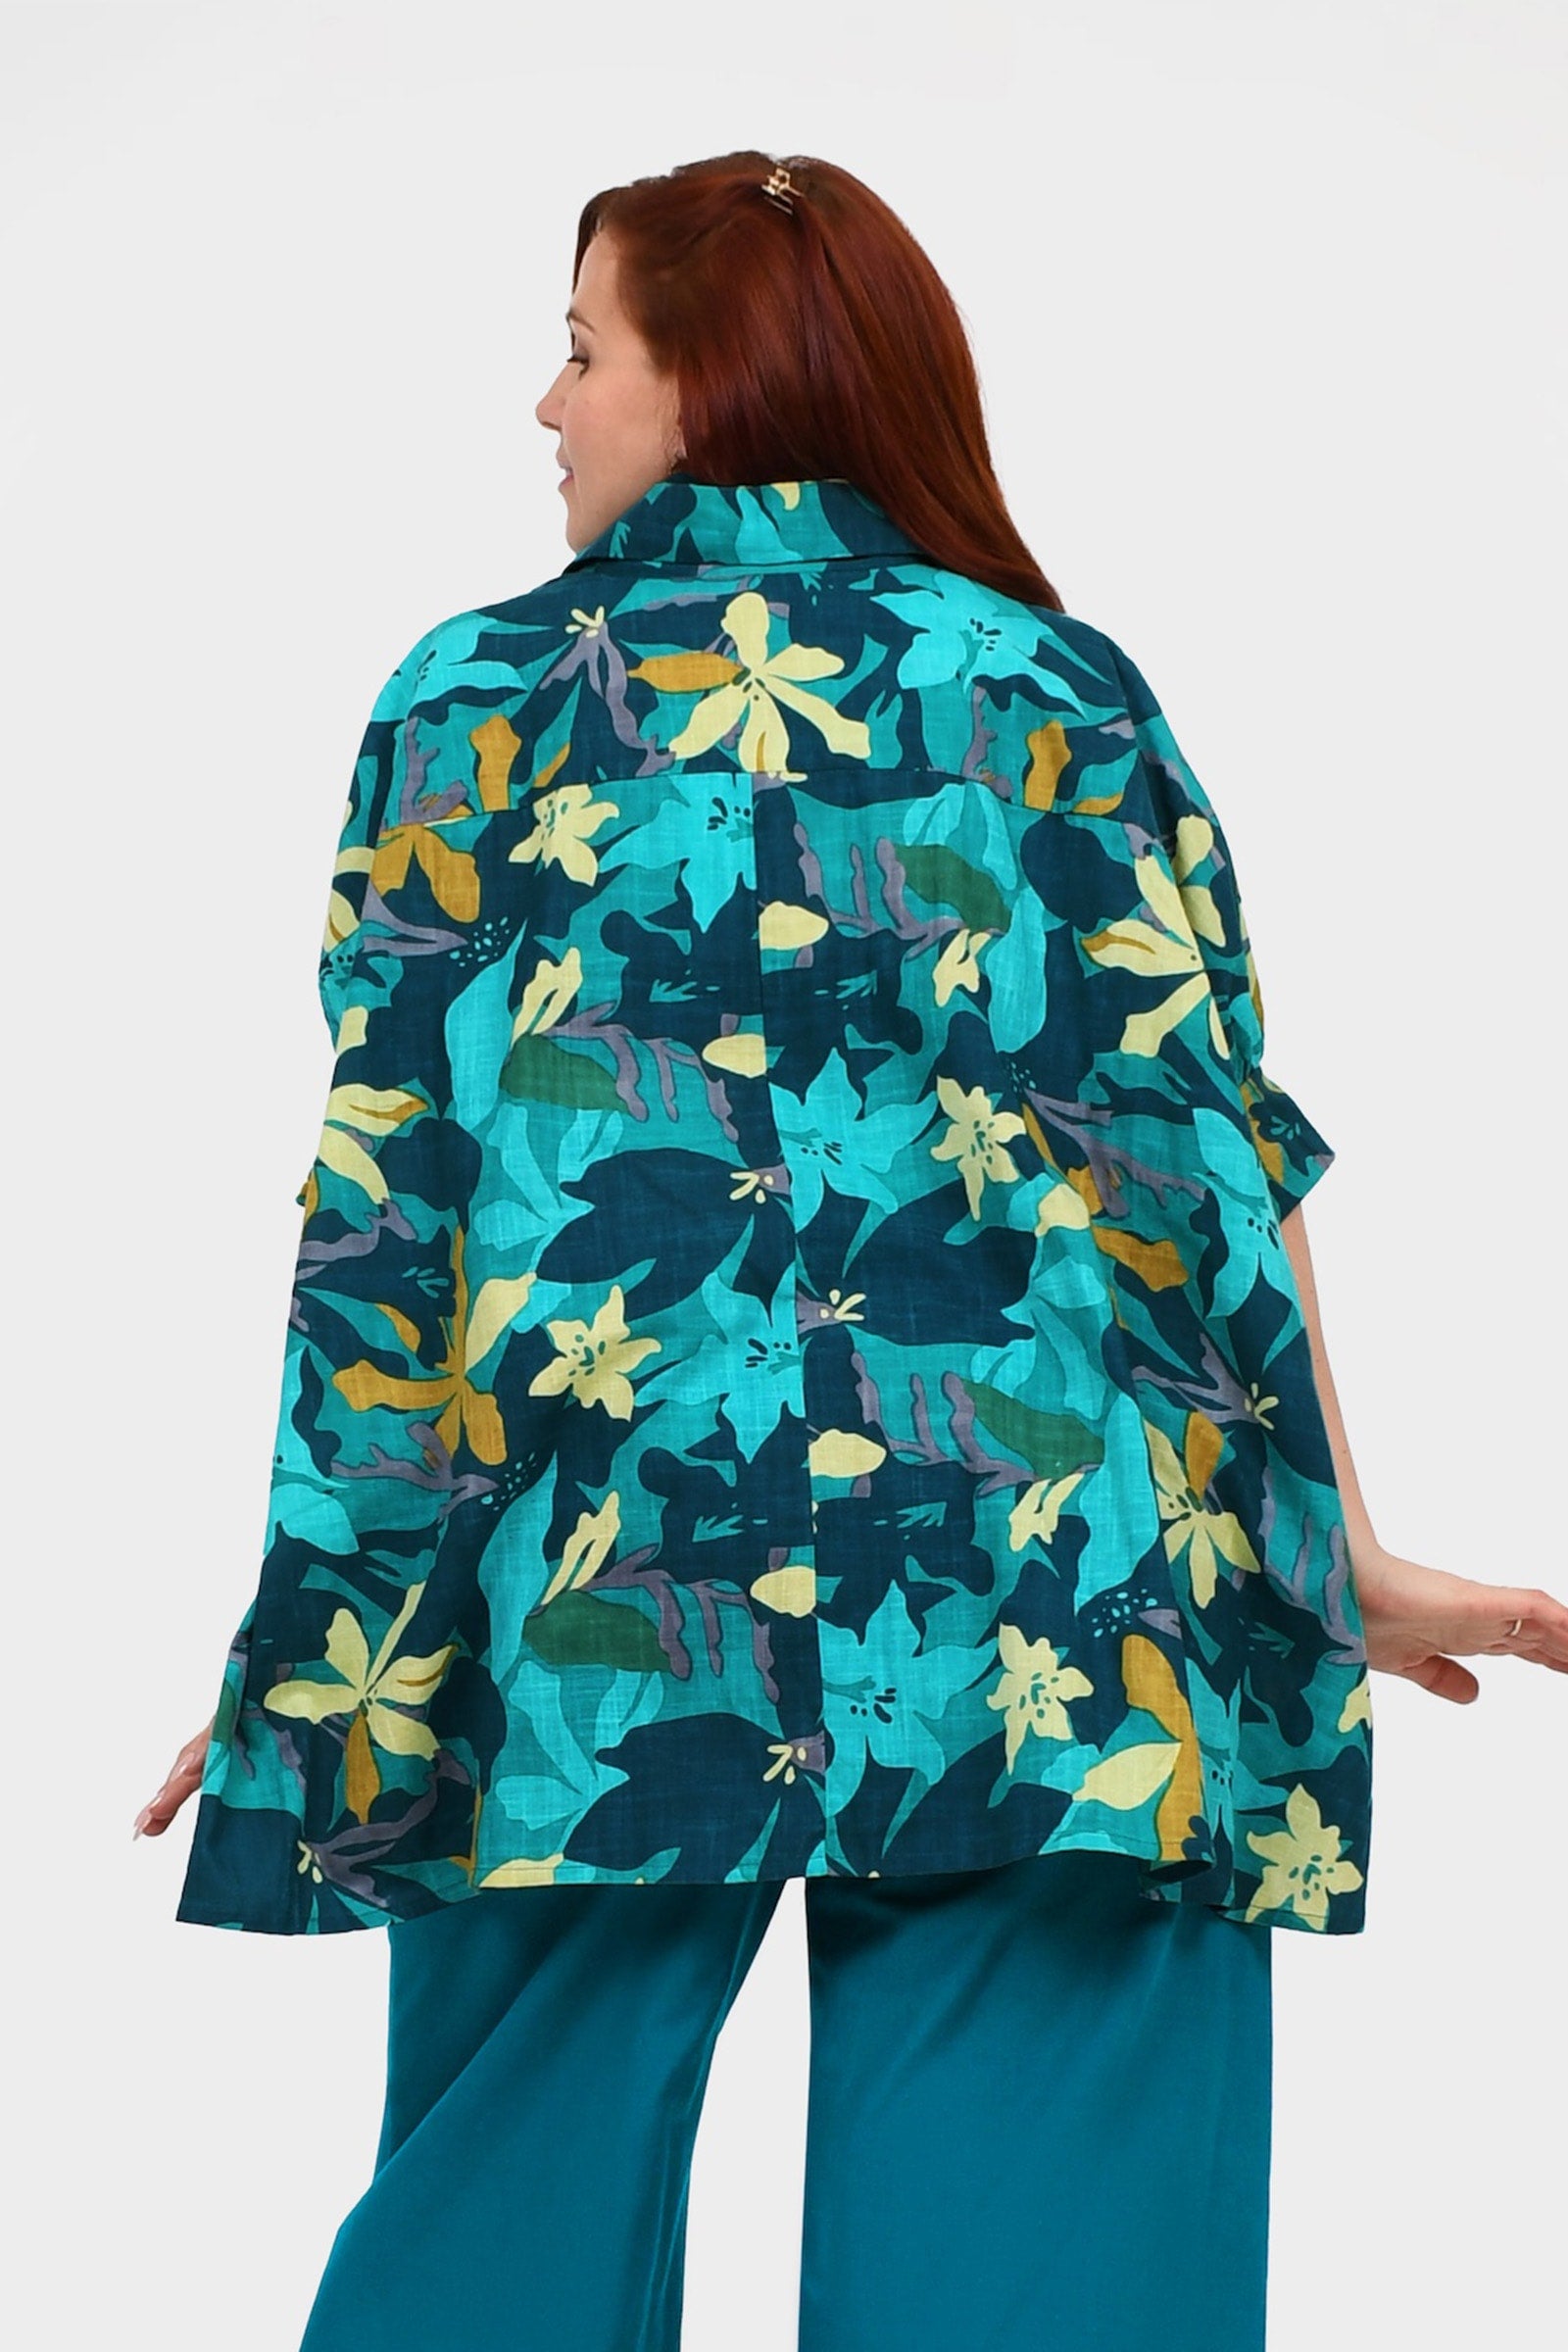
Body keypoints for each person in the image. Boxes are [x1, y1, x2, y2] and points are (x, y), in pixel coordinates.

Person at [134, 151, 1568, 2351]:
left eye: (582, 349)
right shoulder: (1048, 690)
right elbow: (1187, 1167)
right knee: (1043, 2286)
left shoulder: (472, 700)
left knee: (491, 2254)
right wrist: (1327, 1547)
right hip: (1047, 1592)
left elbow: (391, 1208)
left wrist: (337, 1623)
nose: (545, 404)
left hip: (583, 1590)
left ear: (709, 379)